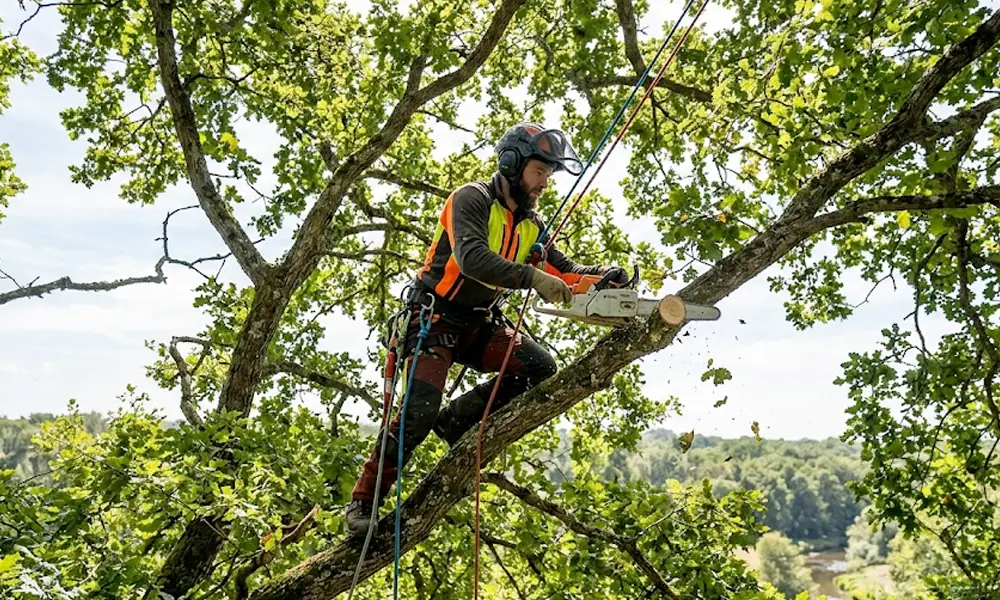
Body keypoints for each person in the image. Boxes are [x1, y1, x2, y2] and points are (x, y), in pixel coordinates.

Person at [345, 122, 629, 538]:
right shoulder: (471, 199)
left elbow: (564, 271)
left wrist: (604, 277)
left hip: (479, 324)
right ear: (512, 164)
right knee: (417, 412)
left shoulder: (530, 225)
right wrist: (532, 278)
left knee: (537, 367)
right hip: (435, 319)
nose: (544, 183)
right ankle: (363, 502)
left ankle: (456, 422)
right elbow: (474, 257)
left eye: (549, 175)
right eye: (539, 172)